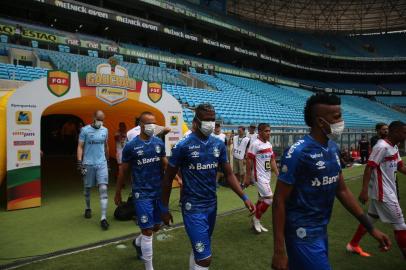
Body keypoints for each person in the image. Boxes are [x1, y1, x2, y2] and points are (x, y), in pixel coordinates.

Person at [271, 93, 391, 270]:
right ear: (320, 122)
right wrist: (279, 250)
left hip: (321, 230)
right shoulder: (298, 152)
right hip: (301, 233)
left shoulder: (333, 148)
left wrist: (370, 228)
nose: (341, 121)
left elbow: (342, 190)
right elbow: (279, 200)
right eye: (337, 117)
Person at [161, 103, 255, 270]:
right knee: (205, 259)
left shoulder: (218, 144)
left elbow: (229, 174)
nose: (211, 123)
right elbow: (168, 179)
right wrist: (164, 208)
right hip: (193, 207)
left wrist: (244, 197)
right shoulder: (183, 146)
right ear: (196, 122)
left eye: (213, 119)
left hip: (212, 205)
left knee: (200, 250)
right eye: (207, 120)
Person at [115, 111, 167, 270]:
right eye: (150, 123)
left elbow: (164, 163)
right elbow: (123, 171)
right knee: (147, 231)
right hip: (141, 193)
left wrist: (178, 178)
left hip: (157, 192)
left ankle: (137, 243)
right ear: (142, 125)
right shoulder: (131, 146)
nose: (153, 126)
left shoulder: (158, 143)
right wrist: (118, 192)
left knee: (156, 226)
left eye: (154, 123)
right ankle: (149, 267)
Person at [347, 121, 406, 258]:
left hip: (386, 191)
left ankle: (353, 245)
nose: (405, 135)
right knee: (401, 225)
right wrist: (364, 190)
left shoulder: (394, 147)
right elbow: (369, 167)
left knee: (370, 219)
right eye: (404, 132)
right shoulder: (381, 146)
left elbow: (400, 167)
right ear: (396, 132)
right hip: (384, 193)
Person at [76, 110, 110, 230]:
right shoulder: (85, 130)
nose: (101, 122)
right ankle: (88, 207)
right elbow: (80, 146)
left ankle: (103, 218)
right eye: (99, 119)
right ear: (94, 117)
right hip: (88, 164)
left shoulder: (105, 130)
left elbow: (106, 146)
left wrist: (108, 160)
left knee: (103, 188)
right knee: (87, 189)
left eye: (102, 120)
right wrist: (79, 162)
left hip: (102, 164)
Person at [245, 123, 278, 233]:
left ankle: (255, 218)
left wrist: (277, 173)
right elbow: (249, 160)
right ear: (259, 132)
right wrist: (248, 176)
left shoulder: (269, 144)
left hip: (266, 176)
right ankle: (256, 219)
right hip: (258, 176)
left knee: (262, 199)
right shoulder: (255, 144)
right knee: (269, 199)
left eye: (269, 131)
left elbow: (272, 160)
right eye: (266, 131)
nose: (268, 133)